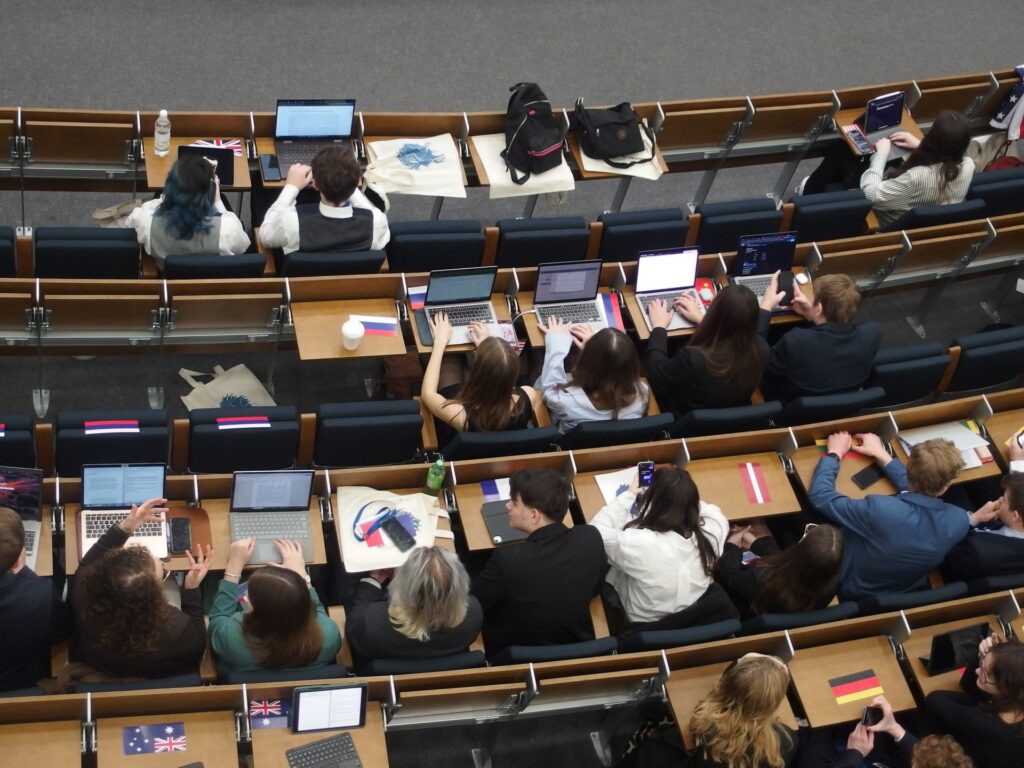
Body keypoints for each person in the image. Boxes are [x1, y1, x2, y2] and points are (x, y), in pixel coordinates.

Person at [809, 432, 999, 601]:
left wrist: (834, 454)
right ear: (946, 486)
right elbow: (918, 491)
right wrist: (881, 454)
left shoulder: (880, 509)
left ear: (908, 466)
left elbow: (821, 496)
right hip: (897, 593)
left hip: (846, 586)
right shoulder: (958, 520)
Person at [71, 498, 213, 679]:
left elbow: (88, 562)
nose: (160, 562)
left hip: (103, 667)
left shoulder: (83, 593)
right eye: (161, 572)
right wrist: (191, 589)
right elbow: (198, 648)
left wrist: (127, 526)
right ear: (155, 593)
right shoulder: (176, 627)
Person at [471, 469, 607, 652]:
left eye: (515, 503)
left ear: (534, 515)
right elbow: (595, 589)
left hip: (515, 650)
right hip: (575, 646)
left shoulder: (508, 559)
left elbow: (475, 604)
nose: (507, 506)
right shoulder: (590, 537)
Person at [589, 467, 728, 625]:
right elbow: (710, 511)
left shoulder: (643, 543)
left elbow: (594, 534)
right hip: (691, 614)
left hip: (641, 622)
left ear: (655, 503)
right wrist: (679, 495)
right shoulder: (713, 531)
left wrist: (630, 494)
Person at [800, 110, 975, 227]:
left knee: (842, 151)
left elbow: (871, 195)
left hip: (883, 219)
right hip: (920, 222)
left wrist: (881, 155)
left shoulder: (917, 177)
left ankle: (807, 198)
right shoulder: (968, 165)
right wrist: (918, 144)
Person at [208, 538, 341, 674]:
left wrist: (234, 566)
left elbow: (218, 618)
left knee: (210, 583)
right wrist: (300, 574)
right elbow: (316, 608)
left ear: (260, 613)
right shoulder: (328, 635)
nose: (247, 592)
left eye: (250, 596)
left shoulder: (232, 638)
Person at [345, 546, 482, 671]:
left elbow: (353, 630)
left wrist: (373, 580)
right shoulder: (474, 614)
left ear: (401, 587)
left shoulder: (371, 623)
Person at [644, 284, 771, 419]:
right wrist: (701, 319)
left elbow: (657, 374)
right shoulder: (762, 350)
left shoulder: (693, 358)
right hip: (724, 419)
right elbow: (734, 330)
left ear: (714, 313)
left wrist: (658, 327)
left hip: (683, 419)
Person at [421, 314, 541, 449]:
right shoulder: (528, 396)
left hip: (457, 433)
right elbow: (502, 376)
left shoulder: (459, 415)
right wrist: (487, 348)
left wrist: (440, 342)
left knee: (450, 361)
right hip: (490, 444)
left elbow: (427, 393)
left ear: (478, 373)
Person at [760, 273, 881, 404]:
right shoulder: (871, 334)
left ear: (819, 308)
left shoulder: (796, 341)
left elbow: (759, 365)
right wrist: (812, 316)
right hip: (839, 404)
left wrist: (765, 307)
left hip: (786, 405)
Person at [259, 144, 389, 255]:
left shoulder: (291, 223)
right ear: (357, 183)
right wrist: (347, 181)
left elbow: (265, 236)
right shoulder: (376, 223)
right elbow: (370, 211)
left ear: (314, 184)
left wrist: (291, 187)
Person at [126, 154, 250, 270]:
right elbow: (243, 247)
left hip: (168, 286)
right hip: (211, 286)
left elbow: (129, 224)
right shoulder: (228, 229)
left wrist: (171, 193)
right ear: (209, 194)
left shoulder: (146, 220)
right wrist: (217, 199)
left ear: (169, 187)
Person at [0, 508, 72, 691]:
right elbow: (60, 634)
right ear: (17, 559)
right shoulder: (40, 593)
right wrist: (25, 574)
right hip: (23, 685)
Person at [926, 634, 1024, 768]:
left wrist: (981, 696)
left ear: (1004, 688)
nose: (977, 670)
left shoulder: (982, 722)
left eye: (985, 673)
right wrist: (986, 657)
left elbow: (935, 698)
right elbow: (967, 684)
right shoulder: (1016, 699)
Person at [535, 318, 648, 434]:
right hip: (613, 449)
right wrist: (602, 350)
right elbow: (615, 368)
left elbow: (548, 390)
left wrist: (556, 349)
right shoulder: (641, 396)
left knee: (539, 380)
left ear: (587, 362)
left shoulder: (567, 403)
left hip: (568, 448)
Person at [714, 522, 842, 620]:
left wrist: (732, 545)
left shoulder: (762, 578)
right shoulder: (832, 584)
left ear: (799, 551)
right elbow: (785, 563)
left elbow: (726, 576)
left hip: (740, 610)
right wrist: (756, 544)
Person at [689, 653, 797, 768]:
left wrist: (745, 659)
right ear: (773, 703)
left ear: (726, 687)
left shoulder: (707, 726)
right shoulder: (786, 741)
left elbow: (726, 685)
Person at [942, 471, 1024, 582]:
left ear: (1015, 516)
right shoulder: (1013, 525)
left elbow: (941, 551)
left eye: (1004, 499)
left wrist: (972, 520)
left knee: (950, 488)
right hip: (982, 530)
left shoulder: (976, 552)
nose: (999, 499)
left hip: (951, 546)